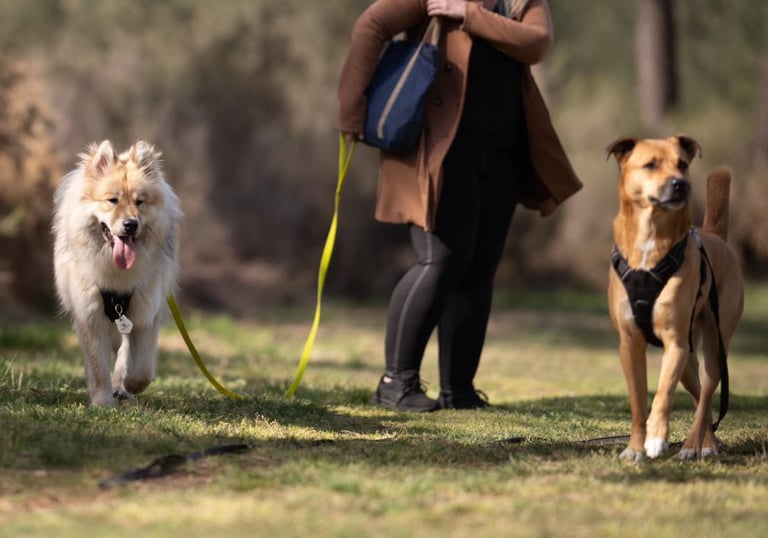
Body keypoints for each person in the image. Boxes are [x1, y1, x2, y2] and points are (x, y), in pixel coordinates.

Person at [336, 0, 582, 411]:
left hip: (502, 149)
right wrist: (352, 111)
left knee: (479, 268)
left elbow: (537, 42)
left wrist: (469, 14)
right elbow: (372, 24)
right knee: (442, 259)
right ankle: (395, 384)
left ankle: (459, 391)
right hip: (438, 146)